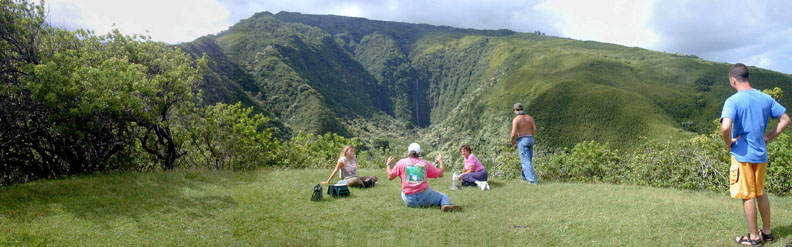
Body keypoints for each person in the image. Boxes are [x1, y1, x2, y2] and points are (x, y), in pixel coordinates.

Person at [721, 63, 790, 246]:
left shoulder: (733, 101)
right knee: (760, 192)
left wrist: (728, 143)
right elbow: (786, 119)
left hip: (742, 155)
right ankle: (767, 233)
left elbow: (725, 126)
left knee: (747, 195)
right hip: (760, 154)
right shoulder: (766, 98)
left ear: (733, 80)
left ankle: (754, 238)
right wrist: (768, 137)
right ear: (747, 77)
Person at [386, 143, 462, 212]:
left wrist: (388, 163)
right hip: (424, 196)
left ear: (408, 152)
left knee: (403, 192)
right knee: (443, 196)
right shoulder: (425, 164)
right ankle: (445, 205)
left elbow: (390, 177)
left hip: (409, 200)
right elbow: (441, 174)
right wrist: (441, 161)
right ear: (419, 153)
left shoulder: (401, 162)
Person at [510, 103, 537, 184]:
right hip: (531, 139)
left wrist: (512, 141)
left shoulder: (516, 119)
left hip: (523, 140)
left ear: (515, 110)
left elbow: (513, 134)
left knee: (525, 161)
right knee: (528, 159)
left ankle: (532, 181)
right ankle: (524, 178)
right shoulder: (530, 118)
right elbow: (534, 130)